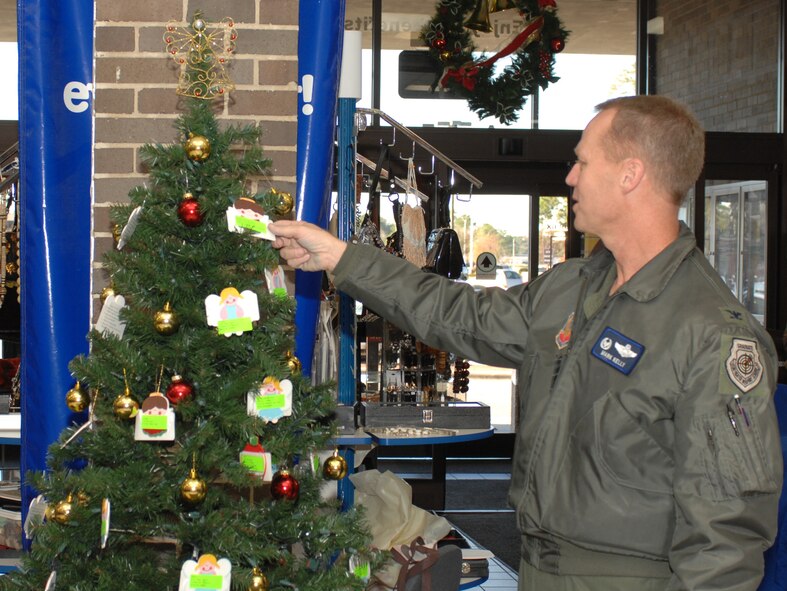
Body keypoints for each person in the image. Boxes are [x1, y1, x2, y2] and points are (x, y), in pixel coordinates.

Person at [270, 96, 783, 591]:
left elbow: (726, 539)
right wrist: (341, 258)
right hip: (538, 566)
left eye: (582, 161)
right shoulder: (573, 288)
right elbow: (458, 314)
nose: (571, 177)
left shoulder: (712, 332)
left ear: (631, 174)